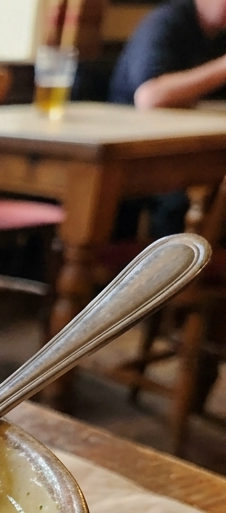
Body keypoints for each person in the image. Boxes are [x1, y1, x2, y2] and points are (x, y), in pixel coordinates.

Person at [108, 0, 226, 409]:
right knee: (181, 212)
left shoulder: (216, 34)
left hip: (193, 173)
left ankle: (187, 325)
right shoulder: (169, 22)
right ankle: (168, 306)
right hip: (129, 170)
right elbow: (151, 96)